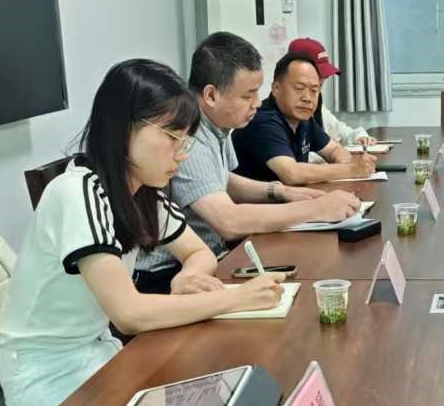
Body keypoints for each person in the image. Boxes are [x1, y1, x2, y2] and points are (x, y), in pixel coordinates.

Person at [0, 60, 284, 406]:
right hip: (44, 371)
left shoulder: (141, 190)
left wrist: (188, 276)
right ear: (124, 128)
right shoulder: (78, 192)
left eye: (186, 139)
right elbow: (128, 314)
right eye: (172, 137)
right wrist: (235, 299)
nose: (181, 153)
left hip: (97, 349)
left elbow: (199, 253)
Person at [133, 33, 362, 291]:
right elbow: (229, 222)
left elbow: (221, 179)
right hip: (169, 273)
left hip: (209, 257)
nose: (256, 103)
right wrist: (316, 209)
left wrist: (279, 191)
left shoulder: (217, 126)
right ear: (211, 95)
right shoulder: (189, 136)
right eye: (247, 96)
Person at [232, 53, 377, 185]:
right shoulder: (262, 120)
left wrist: (350, 164)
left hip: (292, 199)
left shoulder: (303, 119)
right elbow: (292, 174)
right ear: (276, 88)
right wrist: (351, 170)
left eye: (314, 90)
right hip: (258, 204)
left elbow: (333, 150)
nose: (307, 98)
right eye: (299, 88)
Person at [285, 37, 376, 150]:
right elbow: (296, 156)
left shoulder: (317, 103)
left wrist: (358, 136)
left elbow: (339, 130)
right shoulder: (278, 114)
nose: (324, 77)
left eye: (319, 86)